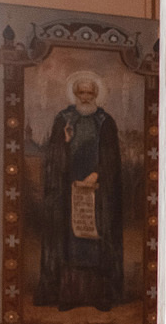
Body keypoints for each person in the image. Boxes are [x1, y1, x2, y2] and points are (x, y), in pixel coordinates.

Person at [37, 72, 124, 310]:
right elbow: (53, 156)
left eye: (90, 93)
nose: (85, 97)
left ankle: (99, 296)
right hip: (69, 192)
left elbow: (110, 155)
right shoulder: (64, 119)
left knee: (96, 239)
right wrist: (64, 143)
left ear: (95, 95)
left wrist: (97, 174)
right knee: (70, 241)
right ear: (75, 94)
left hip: (98, 192)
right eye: (81, 92)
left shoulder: (105, 121)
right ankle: (70, 295)